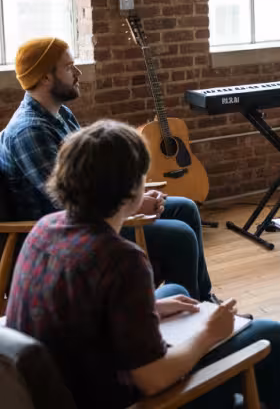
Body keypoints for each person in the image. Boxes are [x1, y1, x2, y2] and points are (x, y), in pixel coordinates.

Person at [5, 120, 280, 409]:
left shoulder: (43, 228)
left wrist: (150, 309)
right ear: (131, 191)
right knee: (271, 335)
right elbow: (153, 380)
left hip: (61, 383)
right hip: (117, 399)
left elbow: (74, 307)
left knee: (176, 290)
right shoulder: (121, 258)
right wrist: (209, 334)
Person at [0, 37, 213, 301]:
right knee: (180, 237)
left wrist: (136, 196)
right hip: (66, 233)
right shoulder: (29, 131)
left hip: (90, 213)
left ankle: (203, 301)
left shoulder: (60, 113)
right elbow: (65, 203)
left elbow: (90, 179)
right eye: (69, 67)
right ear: (45, 78)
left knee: (186, 208)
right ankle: (190, 321)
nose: (77, 73)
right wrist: (131, 206)